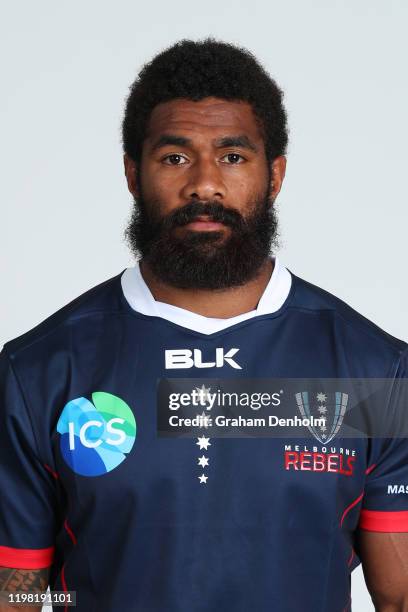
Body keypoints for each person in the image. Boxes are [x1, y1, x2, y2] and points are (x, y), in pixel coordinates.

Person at [0, 38, 407, 612]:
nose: (205, 185)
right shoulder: (35, 373)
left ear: (276, 176)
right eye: (175, 157)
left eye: (233, 156)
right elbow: (15, 594)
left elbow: (399, 596)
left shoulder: (376, 373)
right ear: (132, 175)